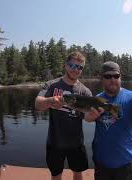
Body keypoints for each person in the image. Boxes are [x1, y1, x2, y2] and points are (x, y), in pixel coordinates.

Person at [86, 61, 132, 180]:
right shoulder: (97, 99)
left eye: (116, 76)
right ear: (102, 78)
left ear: (120, 77)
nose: (112, 79)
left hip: (125, 165)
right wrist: (88, 118)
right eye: (108, 76)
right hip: (101, 163)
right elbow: (87, 117)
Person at [35, 51, 97, 180]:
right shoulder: (52, 85)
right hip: (55, 142)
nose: (75, 70)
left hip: (76, 143)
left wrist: (94, 116)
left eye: (79, 67)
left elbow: (86, 117)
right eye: (72, 65)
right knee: (56, 175)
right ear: (66, 65)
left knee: (78, 173)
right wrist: (49, 101)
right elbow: (38, 104)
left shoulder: (85, 91)